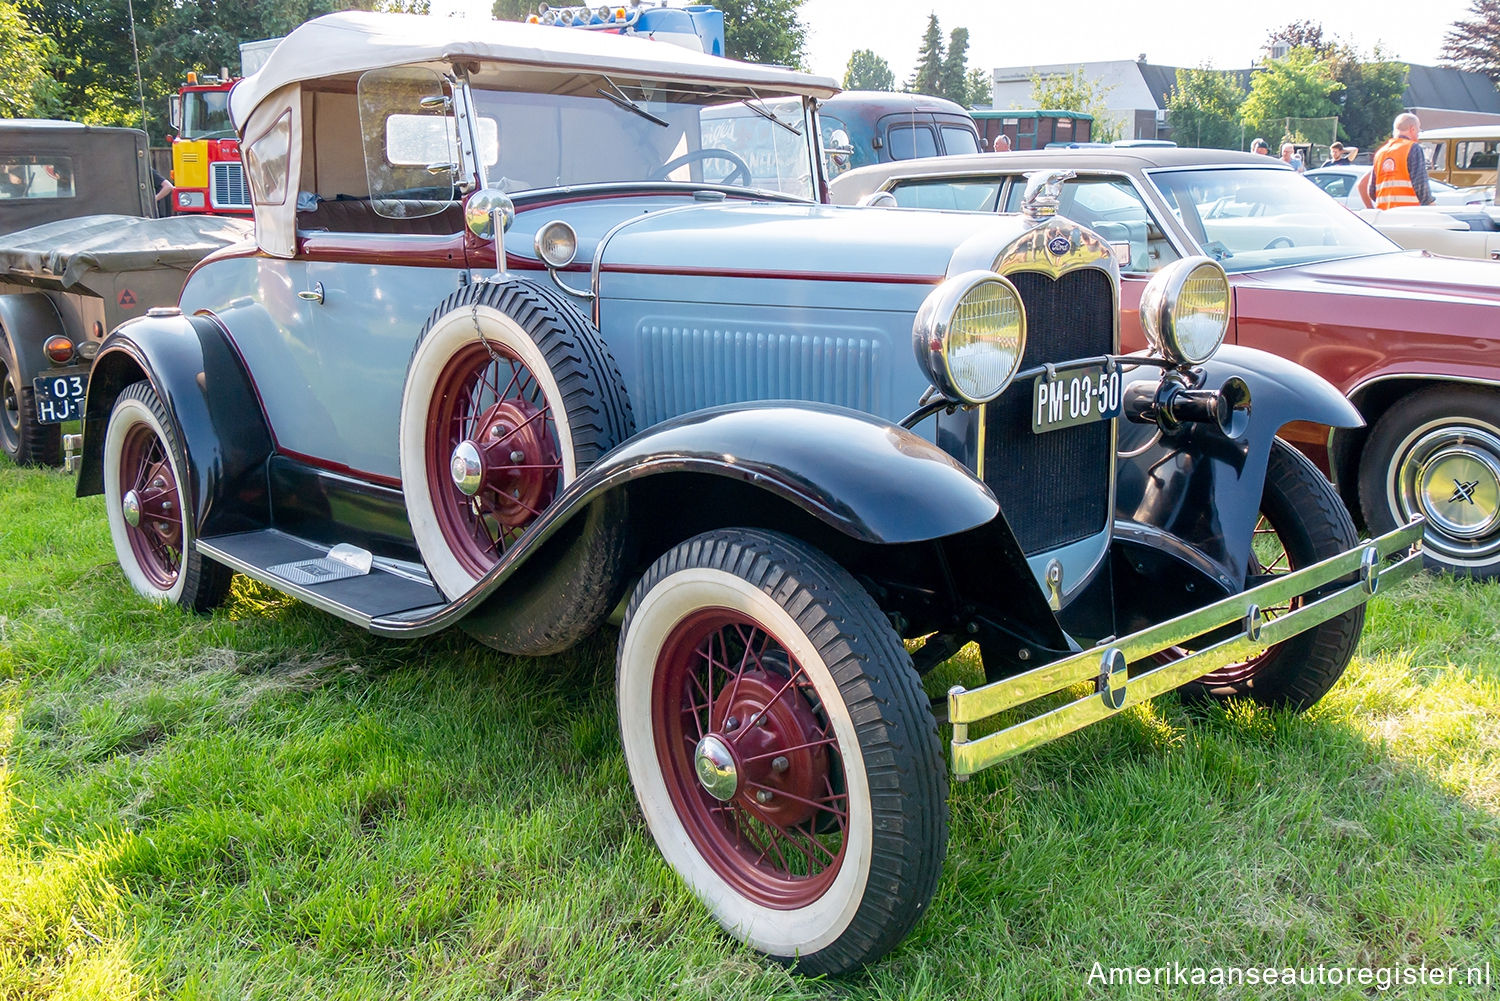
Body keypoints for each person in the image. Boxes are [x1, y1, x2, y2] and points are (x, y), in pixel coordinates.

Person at [1360, 113, 1435, 209]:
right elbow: (1420, 186)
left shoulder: (1380, 153)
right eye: (1418, 130)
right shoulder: (1413, 148)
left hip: (1385, 214)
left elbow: (1372, 192)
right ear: (1412, 129)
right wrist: (1431, 206)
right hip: (1409, 213)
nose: (1418, 134)